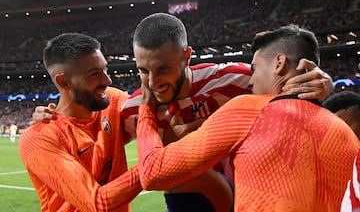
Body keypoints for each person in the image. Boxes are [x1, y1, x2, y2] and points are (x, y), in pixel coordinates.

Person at [32, 13, 334, 212]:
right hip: (191, 202)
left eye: (163, 68)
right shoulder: (133, 107)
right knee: (180, 177)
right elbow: (87, 134)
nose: (152, 82)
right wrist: (49, 118)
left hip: (258, 194)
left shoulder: (235, 79)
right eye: (142, 71)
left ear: (187, 56)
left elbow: (290, 89)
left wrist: (318, 84)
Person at [136, 24, 360, 211]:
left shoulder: (248, 109)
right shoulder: (348, 136)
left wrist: (146, 108)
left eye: (255, 69)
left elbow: (152, 173)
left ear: (279, 63)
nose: (250, 81)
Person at [18, 33, 142, 212]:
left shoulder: (114, 100)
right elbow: (96, 204)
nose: (107, 80)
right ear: (63, 81)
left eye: (105, 70)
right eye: (94, 75)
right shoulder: (39, 137)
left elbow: (161, 115)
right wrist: (153, 164)